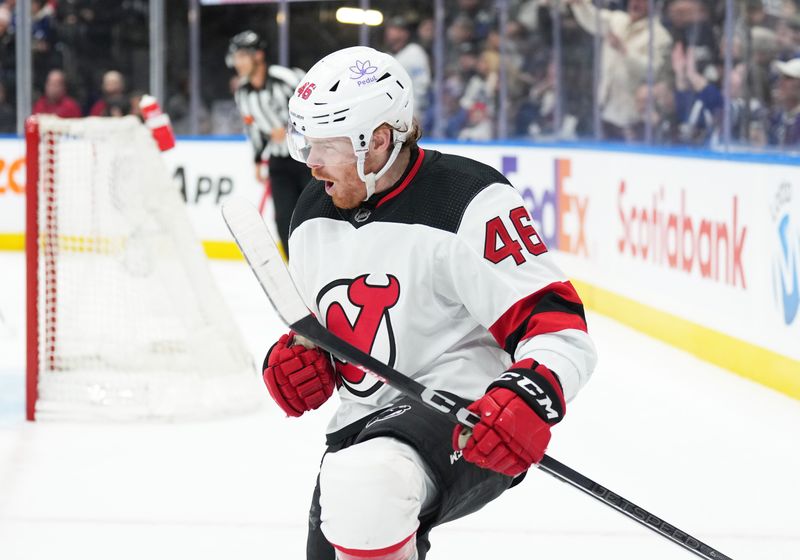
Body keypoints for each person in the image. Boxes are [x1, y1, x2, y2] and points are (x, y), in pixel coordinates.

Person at [262, 46, 597, 560]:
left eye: (325, 144)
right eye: (306, 140)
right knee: (354, 499)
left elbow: (558, 328)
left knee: (370, 484)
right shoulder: (311, 212)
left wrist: (528, 397)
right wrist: (308, 358)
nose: (310, 162)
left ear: (376, 140)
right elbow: (331, 327)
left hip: (463, 415)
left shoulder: (467, 199)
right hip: (362, 429)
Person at [228, 30, 310, 258]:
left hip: (307, 159)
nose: (238, 62)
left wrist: (289, 128)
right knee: (283, 217)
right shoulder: (243, 93)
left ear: (259, 55)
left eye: (243, 56)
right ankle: (295, 269)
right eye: (236, 57)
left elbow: (314, 108)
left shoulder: (285, 79)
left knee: (312, 214)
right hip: (278, 162)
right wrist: (256, 159)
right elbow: (252, 127)